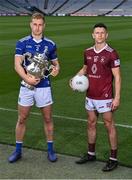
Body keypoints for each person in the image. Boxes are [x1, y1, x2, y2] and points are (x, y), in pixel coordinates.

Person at [8, 12, 60, 163]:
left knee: (48, 118)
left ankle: (50, 150)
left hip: (44, 87)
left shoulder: (50, 44)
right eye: (35, 24)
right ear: (30, 24)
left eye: (40, 25)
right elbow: (17, 65)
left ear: (44, 25)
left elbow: (56, 64)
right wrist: (27, 79)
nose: (37, 28)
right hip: (26, 86)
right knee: (22, 118)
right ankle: (18, 151)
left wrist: (56, 69)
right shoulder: (22, 42)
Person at [70, 23, 121, 171]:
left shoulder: (112, 53)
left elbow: (117, 77)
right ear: (92, 35)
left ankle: (113, 158)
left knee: (108, 125)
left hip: (105, 96)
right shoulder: (87, 52)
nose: (99, 35)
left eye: (102, 33)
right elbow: (85, 69)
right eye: (97, 33)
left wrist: (116, 97)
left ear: (106, 35)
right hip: (90, 95)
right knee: (91, 122)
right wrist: (75, 80)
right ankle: (91, 154)